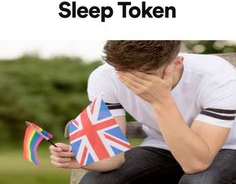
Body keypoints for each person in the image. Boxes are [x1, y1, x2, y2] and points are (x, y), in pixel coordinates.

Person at [50, 41, 236, 184]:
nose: (133, 85)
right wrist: (85, 158)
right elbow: (112, 159)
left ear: (176, 63)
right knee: (95, 181)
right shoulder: (106, 77)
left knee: (199, 181)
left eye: (145, 76)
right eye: (125, 74)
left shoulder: (217, 77)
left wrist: (161, 100)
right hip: (162, 145)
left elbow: (196, 164)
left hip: (228, 146)